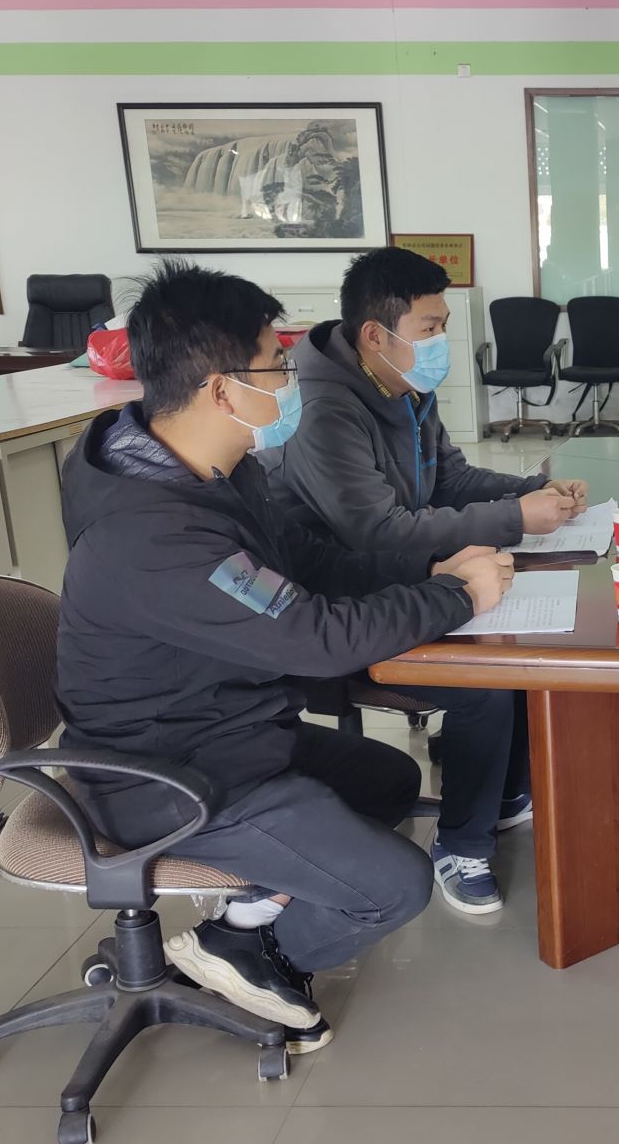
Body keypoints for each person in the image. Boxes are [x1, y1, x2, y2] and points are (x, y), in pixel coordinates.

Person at [55, 259, 512, 1054]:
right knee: (396, 886)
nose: (292, 379)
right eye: (276, 364)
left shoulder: (209, 470)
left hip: (224, 728)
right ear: (221, 390)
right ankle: (250, 955)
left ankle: (246, 917)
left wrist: (429, 570)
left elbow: (306, 563)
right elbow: (312, 635)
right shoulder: (155, 533)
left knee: (389, 781)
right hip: (165, 775)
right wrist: (456, 599)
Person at [272, 246, 588, 913]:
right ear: (375, 334)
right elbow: (375, 531)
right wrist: (514, 518)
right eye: (431, 327)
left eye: (444, 324)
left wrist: (533, 492)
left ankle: (502, 790)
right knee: (483, 684)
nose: (442, 341)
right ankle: (461, 845)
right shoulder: (324, 410)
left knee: (523, 647)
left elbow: (450, 479)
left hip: (405, 576)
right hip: (337, 603)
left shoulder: (404, 382)